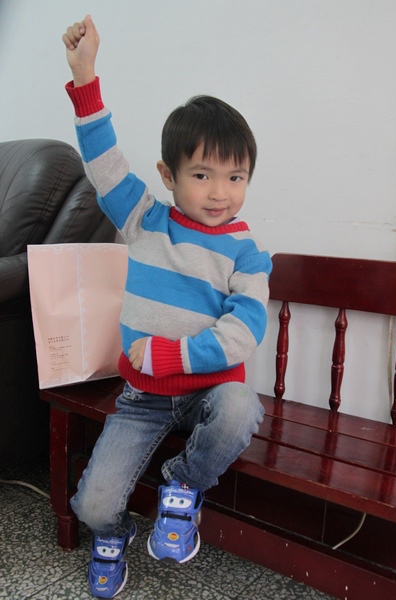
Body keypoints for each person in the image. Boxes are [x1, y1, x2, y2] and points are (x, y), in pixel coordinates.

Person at [62, 15, 272, 599]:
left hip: (209, 389)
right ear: (168, 175)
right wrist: (85, 77)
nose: (219, 192)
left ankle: (181, 487)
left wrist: (171, 355)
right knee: (92, 504)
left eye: (235, 176)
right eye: (202, 174)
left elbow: (243, 332)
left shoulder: (248, 253)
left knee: (241, 406)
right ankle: (115, 533)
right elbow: (104, 163)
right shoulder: (144, 219)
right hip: (143, 398)